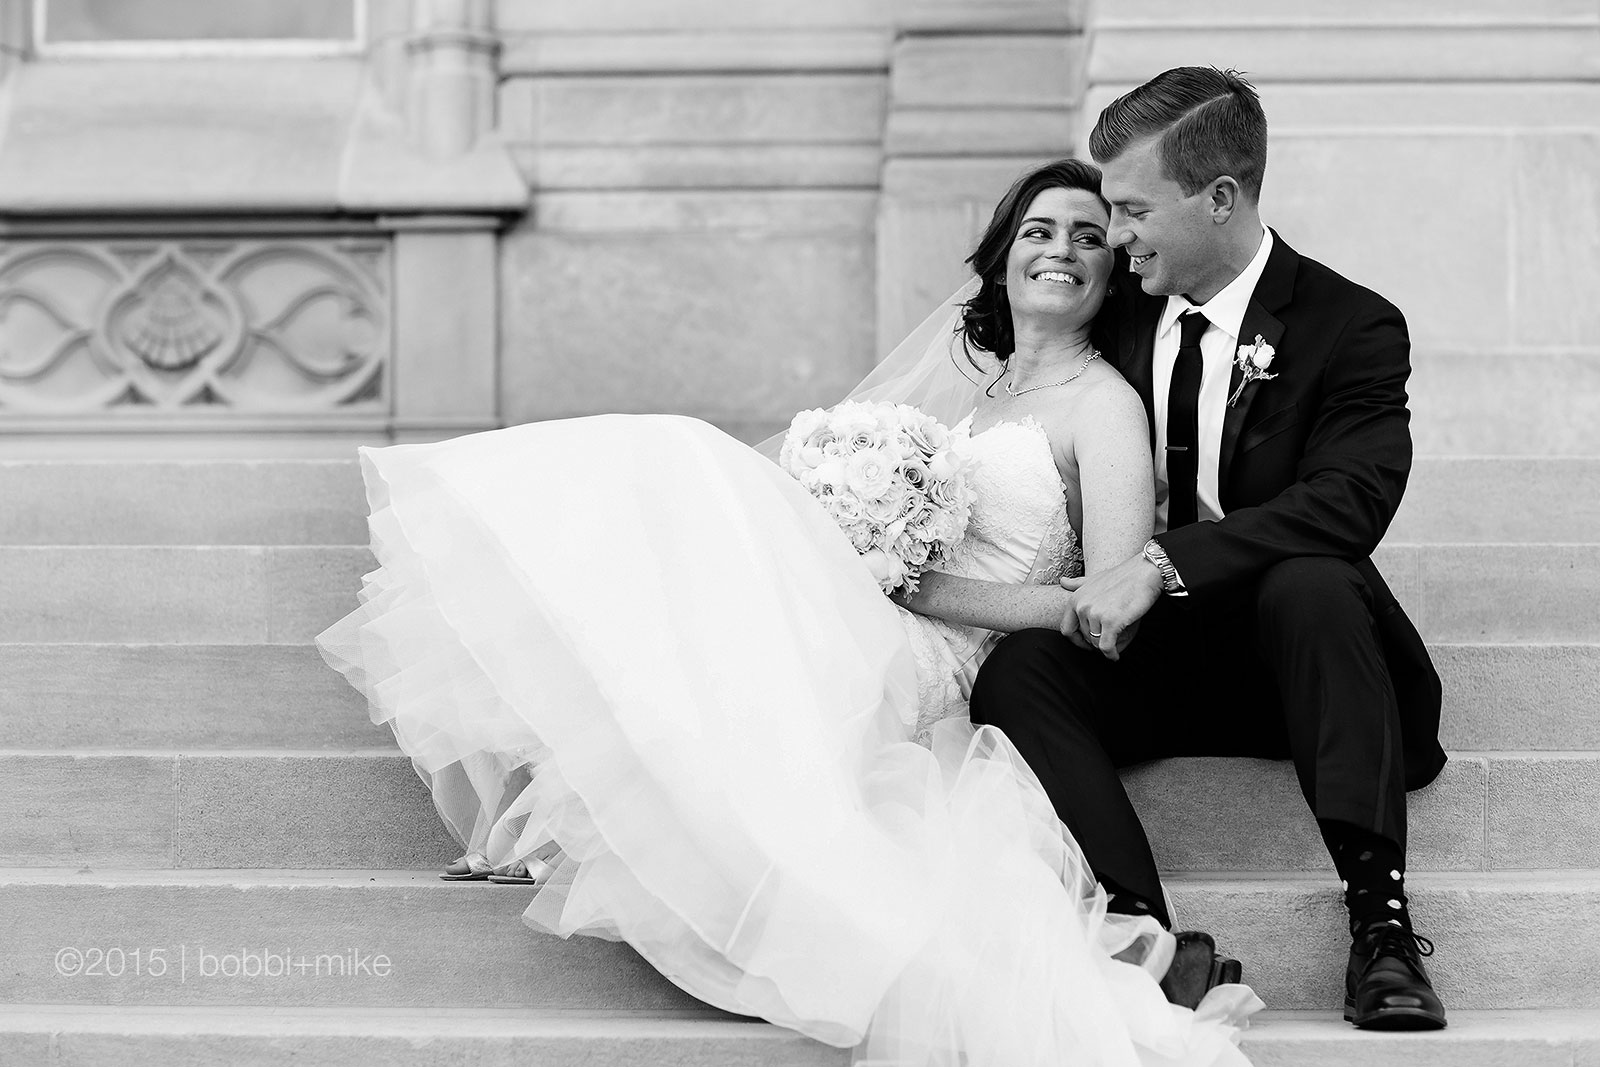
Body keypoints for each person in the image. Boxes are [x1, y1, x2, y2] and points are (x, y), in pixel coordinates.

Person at [317, 158, 1262, 1066]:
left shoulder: (1105, 407)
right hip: (884, 612)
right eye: (1039, 230)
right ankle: (576, 809)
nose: (1060, 249)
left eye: (1089, 236)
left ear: (1114, 268)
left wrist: (910, 583)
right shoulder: (978, 395)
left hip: (954, 655)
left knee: (692, 474)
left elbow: (1105, 609)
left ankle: (593, 817)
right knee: (690, 529)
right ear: (1004, 253)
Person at [967, 68, 1449, 1032]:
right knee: (1020, 669)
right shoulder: (1125, 308)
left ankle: (1383, 929)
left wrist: (1157, 565)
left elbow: (1350, 501)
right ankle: (1146, 939)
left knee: (1312, 580)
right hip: (1162, 661)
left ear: (1219, 198)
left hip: (1302, 655)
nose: (1115, 234)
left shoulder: (1349, 324)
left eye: (1134, 209)